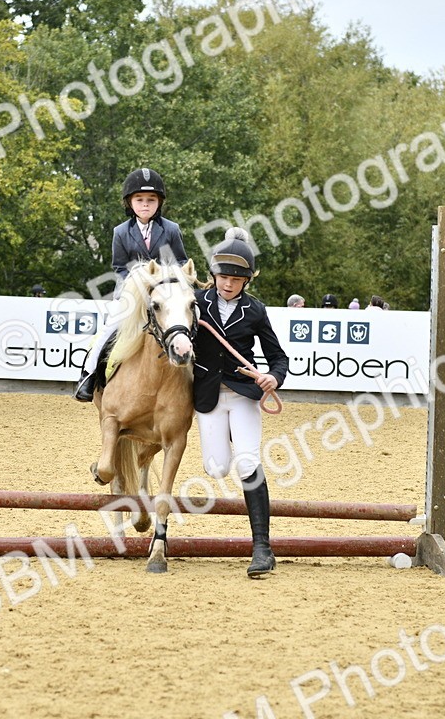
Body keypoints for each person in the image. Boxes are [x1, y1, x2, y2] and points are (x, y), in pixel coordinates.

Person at [193, 228, 288, 578]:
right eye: (222, 276)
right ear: (213, 274)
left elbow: (278, 357)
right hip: (208, 396)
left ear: (247, 279)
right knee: (217, 468)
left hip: (243, 396)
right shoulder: (195, 301)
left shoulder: (256, 311)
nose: (228, 284)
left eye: (235, 278)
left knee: (247, 464)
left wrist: (273, 377)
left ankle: (262, 547)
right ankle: (229, 442)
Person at [74, 167, 189, 402]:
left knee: (187, 328)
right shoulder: (120, 232)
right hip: (131, 293)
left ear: (159, 203)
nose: (145, 204)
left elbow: (181, 261)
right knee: (108, 329)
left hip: (165, 294)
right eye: (139, 200)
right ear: (130, 202)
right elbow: (119, 267)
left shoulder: (171, 229)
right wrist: (135, 286)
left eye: (151, 200)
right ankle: (88, 376)